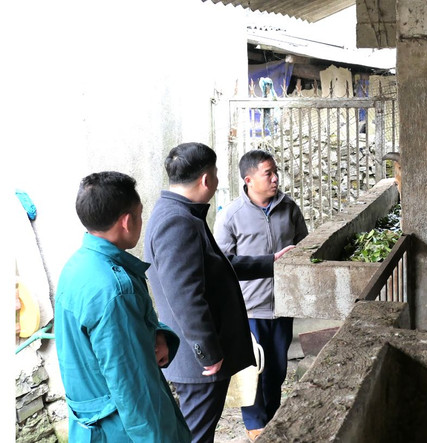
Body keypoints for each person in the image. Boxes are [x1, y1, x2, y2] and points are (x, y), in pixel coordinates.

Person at [143, 142, 291, 442]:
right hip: (199, 365)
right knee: (195, 435)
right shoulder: (177, 221)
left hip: (200, 361)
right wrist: (208, 353)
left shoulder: (180, 211)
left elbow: (217, 268)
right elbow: (186, 296)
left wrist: (269, 262)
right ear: (207, 179)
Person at [54, 171, 191, 442]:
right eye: (140, 214)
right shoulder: (115, 290)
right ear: (127, 221)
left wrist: (157, 334)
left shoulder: (77, 266)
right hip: (122, 430)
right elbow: (133, 388)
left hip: (90, 425)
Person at [214, 149, 308, 441]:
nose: (275, 178)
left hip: (282, 307)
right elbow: (222, 264)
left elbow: (305, 247)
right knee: (251, 371)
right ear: (249, 179)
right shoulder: (231, 216)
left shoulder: (289, 208)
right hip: (249, 310)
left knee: (276, 372)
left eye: (275, 171)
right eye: (268, 173)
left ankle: (273, 422)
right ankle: (256, 429)